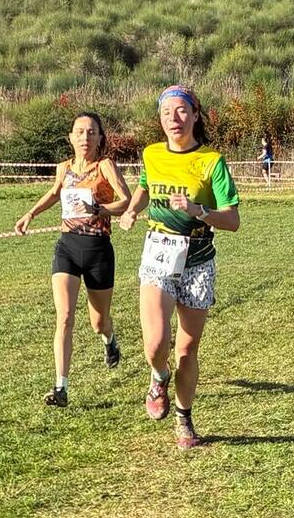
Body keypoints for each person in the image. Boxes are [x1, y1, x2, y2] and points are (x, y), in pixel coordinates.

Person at [119, 85, 240, 450]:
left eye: (182, 110)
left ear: (195, 115)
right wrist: (132, 210)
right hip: (158, 254)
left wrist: (198, 210)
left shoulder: (212, 161)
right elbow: (145, 186)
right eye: (166, 112)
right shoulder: (152, 154)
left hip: (198, 261)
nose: (174, 118)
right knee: (156, 343)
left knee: (187, 350)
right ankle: (159, 376)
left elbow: (232, 220)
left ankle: (184, 417)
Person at [14, 112, 131, 408]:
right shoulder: (63, 168)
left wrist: (101, 209)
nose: (85, 138)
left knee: (98, 322)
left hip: (98, 251)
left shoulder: (105, 166)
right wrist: (30, 214)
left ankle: (109, 340)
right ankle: (61, 387)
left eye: (91, 132)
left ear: (100, 137)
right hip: (67, 247)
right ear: (70, 137)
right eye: (79, 132)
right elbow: (55, 193)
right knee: (64, 317)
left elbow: (126, 200)